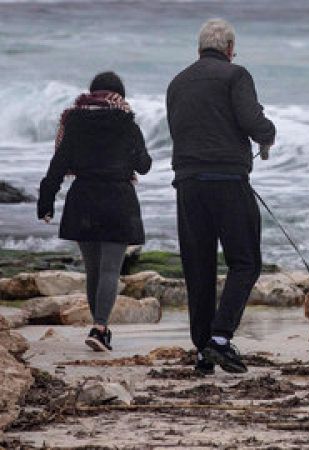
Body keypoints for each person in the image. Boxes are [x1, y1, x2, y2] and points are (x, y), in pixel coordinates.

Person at [166, 19, 276, 374]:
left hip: (187, 184)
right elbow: (252, 122)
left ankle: (202, 350)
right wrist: (268, 132)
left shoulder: (177, 83)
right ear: (229, 49)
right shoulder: (235, 75)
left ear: (199, 49)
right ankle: (220, 339)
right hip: (227, 180)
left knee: (198, 267)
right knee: (245, 262)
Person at [37, 71, 152, 352]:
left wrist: (46, 202)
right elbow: (144, 165)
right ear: (119, 96)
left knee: (94, 271)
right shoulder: (126, 122)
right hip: (117, 199)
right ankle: (100, 328)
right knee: (111, 269)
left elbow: (58, 165)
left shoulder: (73, 123)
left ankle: (99, 328)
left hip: (83, 200)